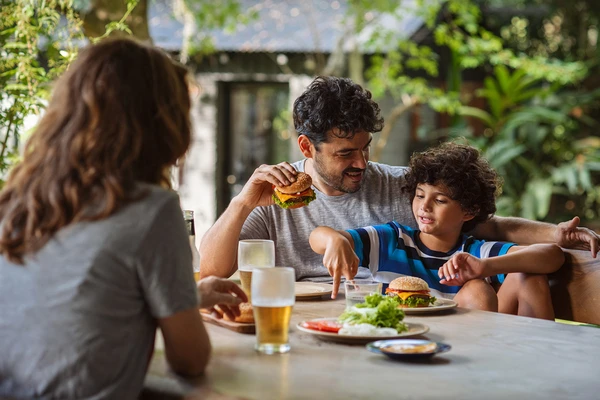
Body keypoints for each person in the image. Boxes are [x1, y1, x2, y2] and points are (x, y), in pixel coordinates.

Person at [199, 75, 599, 298]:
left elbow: (487, 226)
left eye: (365, 148)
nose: (361, 163)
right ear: (306, 146)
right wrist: (242, 203)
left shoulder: (400, 186)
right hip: (303, 327)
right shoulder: (275, 193)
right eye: (345, 154)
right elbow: (213, 269)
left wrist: (555, 233)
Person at [0, 38, 246, 400]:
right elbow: (190, 360)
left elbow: (76, 301)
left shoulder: (19, 199)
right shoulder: (153, 209)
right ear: (163, 122)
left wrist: (185, 298)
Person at [310, 142, 564, 319]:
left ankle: (537, 360)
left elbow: (553, 255)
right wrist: (334, 240)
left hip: (471, 345)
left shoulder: (474, 253)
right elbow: (317, 236)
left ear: (469, 211)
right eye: (420, 195)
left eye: (440, 200)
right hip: (403, 339)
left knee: (513, 279)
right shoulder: (391, 241)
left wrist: (484, 268)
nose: (425, 207)